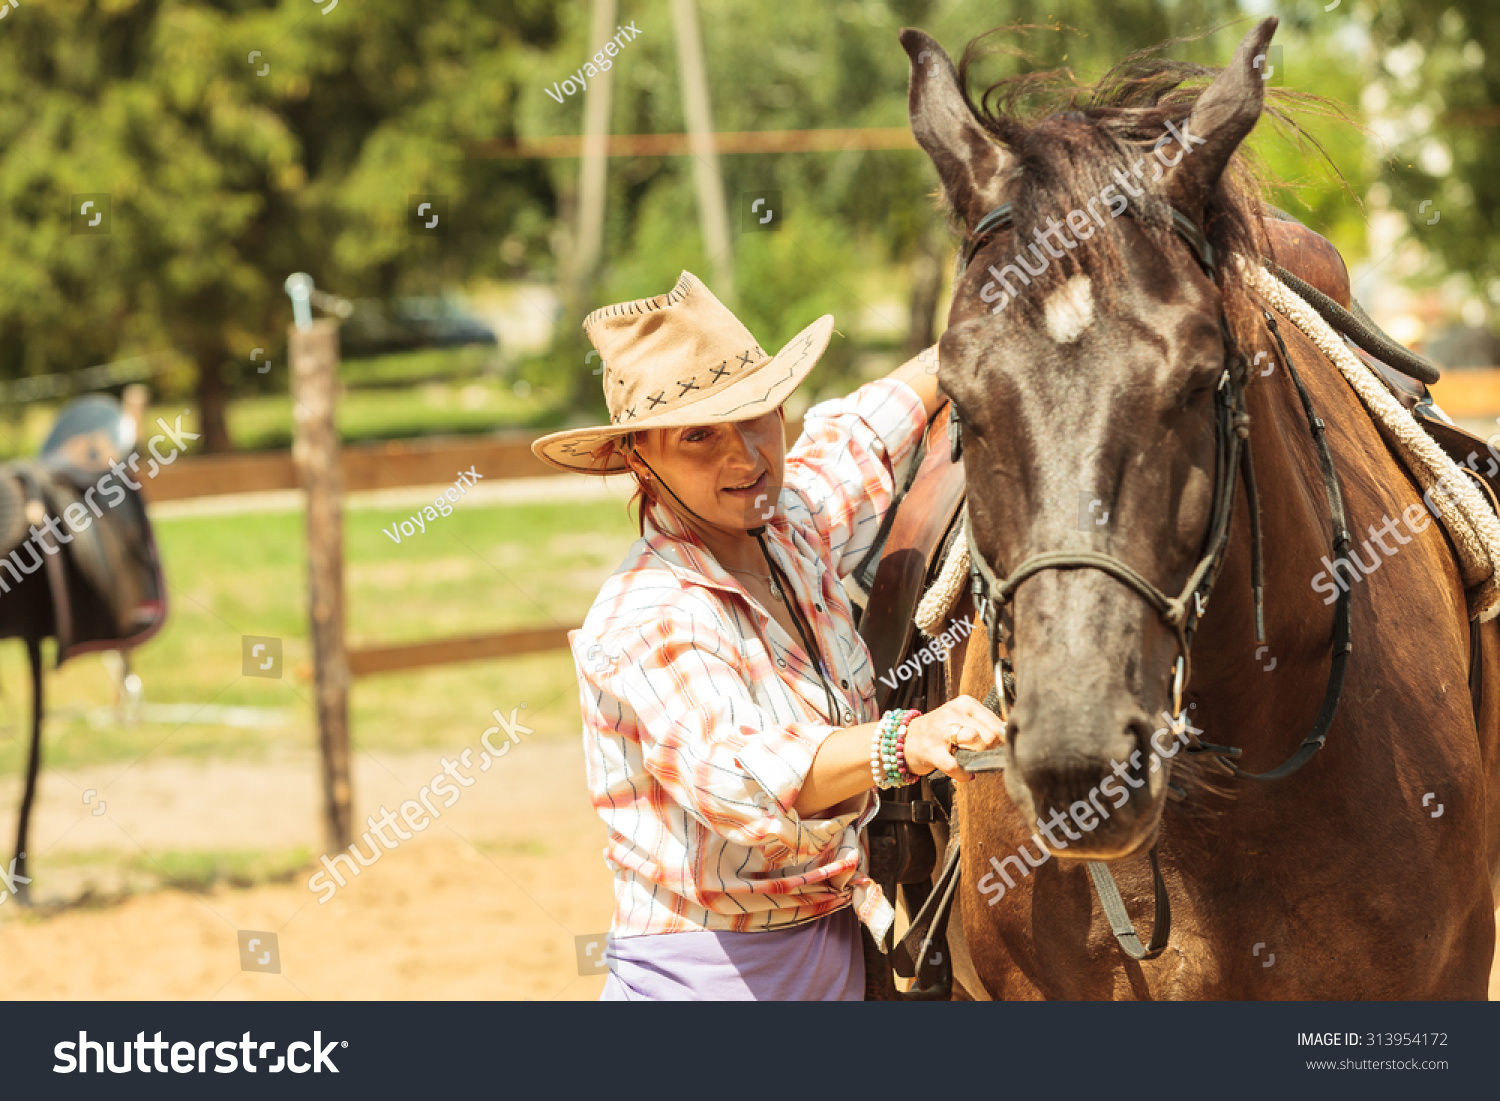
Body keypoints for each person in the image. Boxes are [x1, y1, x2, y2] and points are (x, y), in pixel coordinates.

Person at [532, 271, 1005, 1000]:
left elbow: (863, 436)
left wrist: (976, 333)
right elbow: (735, 774)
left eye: (760, 415)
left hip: (832, 960)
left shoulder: (788, 526)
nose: (747, 455)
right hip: (707, 984)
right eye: (699, 434)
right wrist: (902, 741)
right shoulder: (648, 613)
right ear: (639, 458)